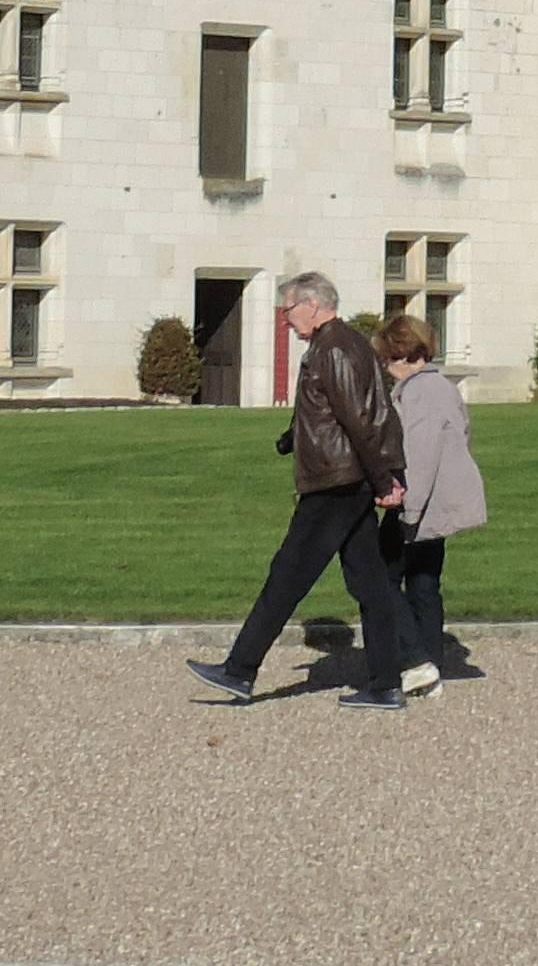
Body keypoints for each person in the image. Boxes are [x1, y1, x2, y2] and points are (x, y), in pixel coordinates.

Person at [188, 273, 439, 705]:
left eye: (289, 309)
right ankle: (385, 684)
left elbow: (360, 419)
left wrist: (385, 480)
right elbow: (334, 410)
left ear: (314, 306)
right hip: (346, 480)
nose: (286, 319)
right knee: (372, 585)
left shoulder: (334, 348)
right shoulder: (343, 344)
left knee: (287, 577)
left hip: (335, 484)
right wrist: (293, 438)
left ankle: (239, 669)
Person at [371, 313, 487, 675]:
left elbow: (420, 456)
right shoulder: (442, 387)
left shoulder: (420, 391)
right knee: (424, 582)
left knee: (380, 577)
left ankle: (416, 658)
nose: (386, 365)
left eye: (389, 357)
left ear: (404, 353)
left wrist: (408, 509)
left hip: (419, 502)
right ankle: (430, 661)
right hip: (438, 501)